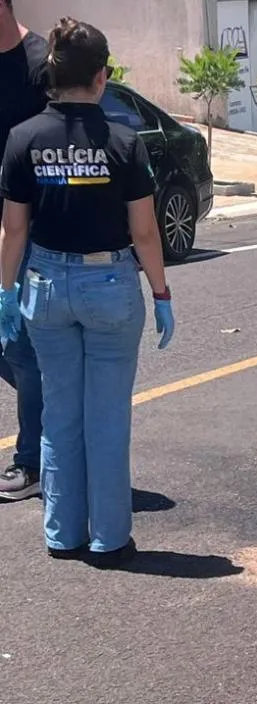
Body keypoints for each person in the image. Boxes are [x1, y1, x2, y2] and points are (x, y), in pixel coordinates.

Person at [0, 17, 176, 567]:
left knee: (59, 414)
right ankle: (108, 538)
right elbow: (145, 233)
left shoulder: (23, 138)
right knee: (106, 417)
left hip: (45, 287)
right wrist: (162, 293)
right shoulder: (124, 142)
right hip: (109, 286)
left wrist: (5, 292)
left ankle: (62, 533)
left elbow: (14, 230)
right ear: (102, 76)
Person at [0, 0, 47, 501]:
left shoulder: (40, 63)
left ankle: (31, 461)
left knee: (19, 347)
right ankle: (53, 412)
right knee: (16, 353)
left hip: (27, 229)